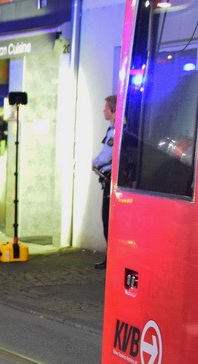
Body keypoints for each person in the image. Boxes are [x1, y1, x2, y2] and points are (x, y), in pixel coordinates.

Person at [91, 94, 116, 270]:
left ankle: (111, 259)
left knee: (107, 220)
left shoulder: (114, 132)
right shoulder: (115, 128)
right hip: (112, 179)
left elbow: (107, 155)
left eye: (106, 107)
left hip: (110, 181)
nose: (103, 110)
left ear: (113, 109)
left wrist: (95, 162)